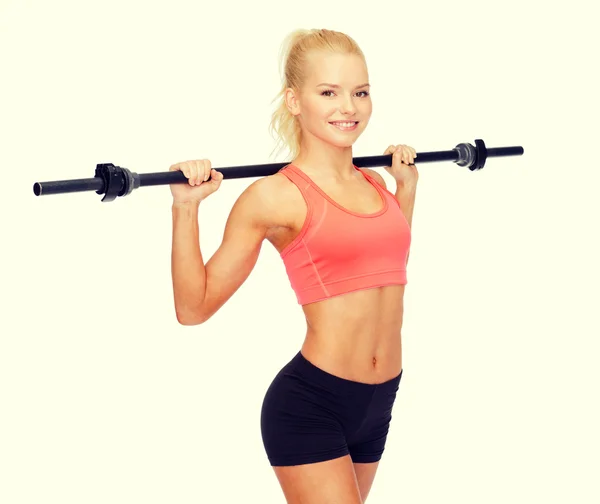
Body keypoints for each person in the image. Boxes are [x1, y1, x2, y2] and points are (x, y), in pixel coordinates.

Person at [169, 28, 418, 504]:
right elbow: (193, 307)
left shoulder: (375, 186)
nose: (348, 107)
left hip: (380, 401)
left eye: (360, 92)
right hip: (312, 405)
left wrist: (404, 189)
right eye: (329, 92)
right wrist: (186, 208)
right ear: (294, 100)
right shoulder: (274, 196)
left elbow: (386, 268)